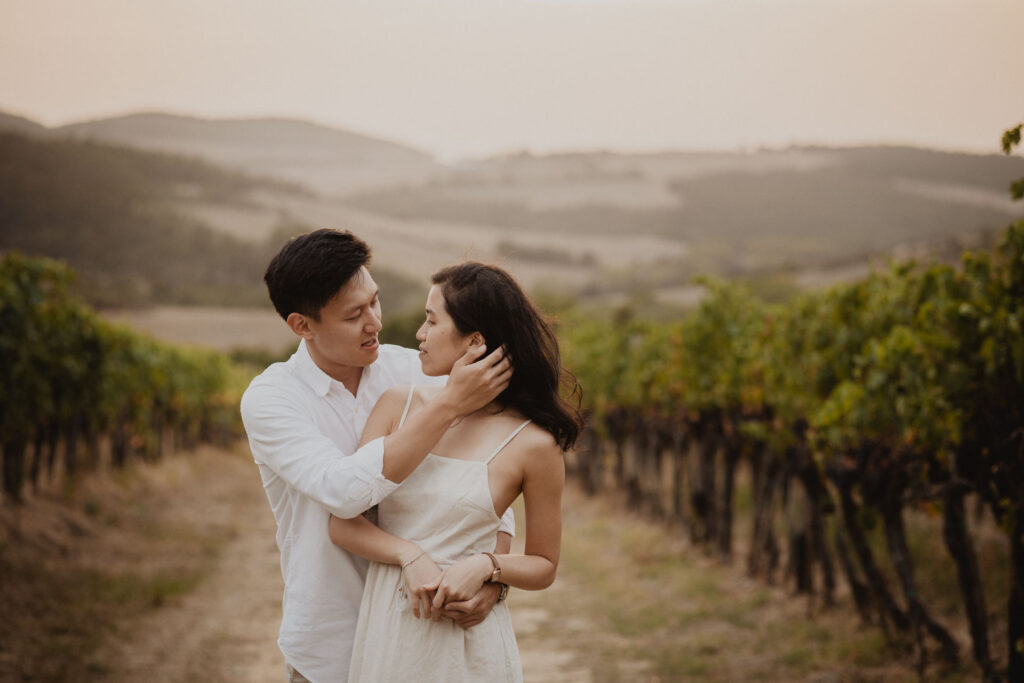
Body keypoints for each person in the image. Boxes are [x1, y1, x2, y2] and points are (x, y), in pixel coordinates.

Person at [239, 230, 516, 683]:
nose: (375, 323)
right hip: (332, 648)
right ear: (302, 325)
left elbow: (490, 476)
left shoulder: (414, 369)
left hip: (426, 639)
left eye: (374, 302)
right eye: (354, 315)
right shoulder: (273, 399)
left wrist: (494, 577)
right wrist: (448, 406)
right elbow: (343, 494)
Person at [329, 262, 583, 682]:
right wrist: (410, 557)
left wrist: (488, 568)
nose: (419, 335)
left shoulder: (534, 444)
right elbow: (344, 525)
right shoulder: (398, 407)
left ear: (475, 341)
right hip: (389, 631)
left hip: (470, 645)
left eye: (431, 321)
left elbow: (543, 563)